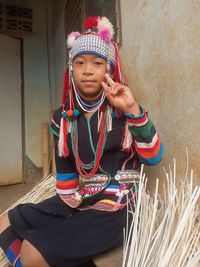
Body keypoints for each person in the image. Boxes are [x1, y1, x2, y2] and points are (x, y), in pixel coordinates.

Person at [0, 16, 163, 267]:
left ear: (108, 69)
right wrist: (64, 214)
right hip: (81, 198)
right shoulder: (63, 118)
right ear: (71, 69)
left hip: (119, 204)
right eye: (80, 62)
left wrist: (132, 109)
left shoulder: (122, 111)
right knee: (4, 223)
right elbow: (66, 182)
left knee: (33, 251)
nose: (88, 70)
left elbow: (154, 157)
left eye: (97, 63)